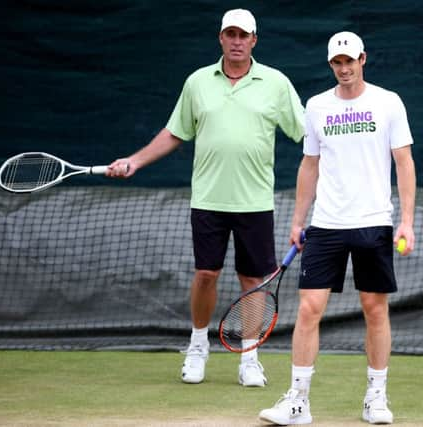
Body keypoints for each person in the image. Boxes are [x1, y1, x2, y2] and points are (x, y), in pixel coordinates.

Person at [106, 9, 304, 387]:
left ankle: (249, 358)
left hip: (256, 202)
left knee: (253, 280)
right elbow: (175, 132)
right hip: (209, 200)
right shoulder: (198, 82)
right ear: (220, 38)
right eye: (230, 34)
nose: (236, 41)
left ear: (254, 41)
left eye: (243, 35)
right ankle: (198, 346)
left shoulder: (276, 84)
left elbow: (307, 132)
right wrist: (134, 161)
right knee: (206, 274)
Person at [259, 31, 416, 425]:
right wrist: (298, 220)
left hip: (374, 224)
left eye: (350, 60)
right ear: (330, 64)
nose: (344, 68)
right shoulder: (316, 107)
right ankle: (297, 402)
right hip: (326, 225)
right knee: (310, 309)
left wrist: (407, 221)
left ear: (363, 58)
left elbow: (404, 163)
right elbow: (309, 166)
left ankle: (376, 398)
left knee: (374, 309)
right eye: (337, 62)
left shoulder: (388, 102)